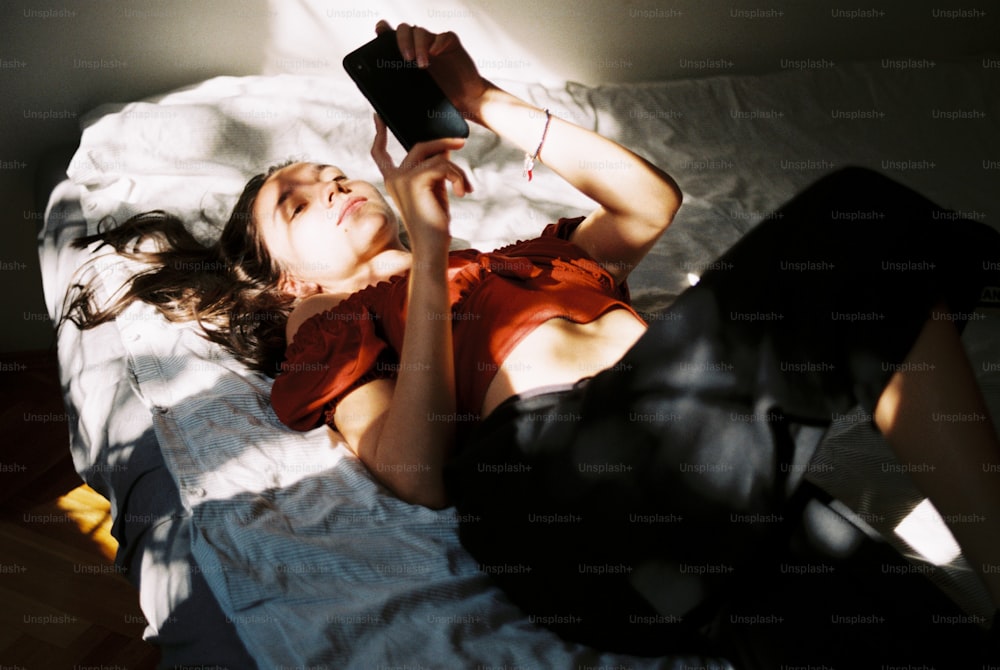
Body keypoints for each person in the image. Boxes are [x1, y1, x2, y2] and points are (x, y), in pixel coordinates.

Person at [66, 20, 1000, 666]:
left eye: (331, 175)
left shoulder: (518, 262)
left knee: (917, 627)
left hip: (683, 511)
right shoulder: (335, 322)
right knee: (861, 218)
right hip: (564, 496)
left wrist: (480, 96)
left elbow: (649, 204)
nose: (333, 187)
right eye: (299, 204)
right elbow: (412, 472)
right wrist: (424, 250)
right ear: (289, 281)